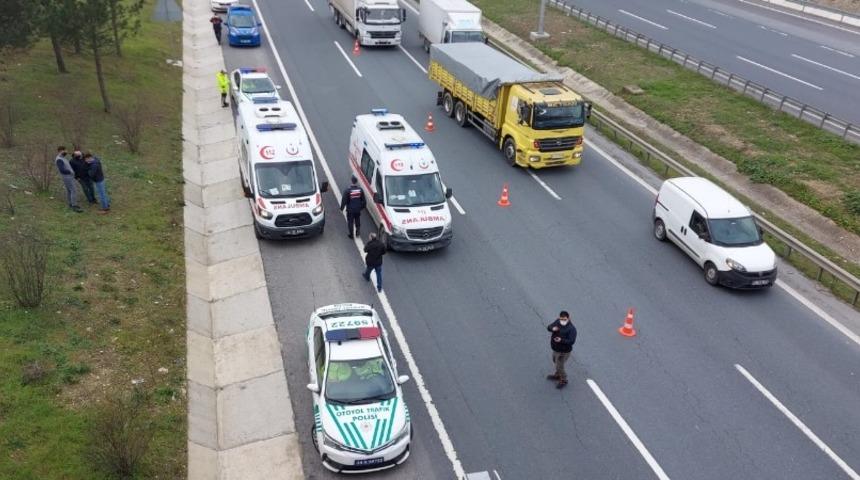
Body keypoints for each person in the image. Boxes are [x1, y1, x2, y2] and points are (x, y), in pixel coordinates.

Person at [546, 311, 577, 389]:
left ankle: (563, 379)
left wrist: (561, 340)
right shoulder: (557, 321)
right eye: (561, 319)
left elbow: (571, 341)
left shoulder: (572, 329)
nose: (562, 321)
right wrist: (552, 328)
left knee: (560, 366)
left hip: (564, 351)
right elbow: (549, 327)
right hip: (556, 349)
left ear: (568, 318)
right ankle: (558, 374)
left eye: (564, 319)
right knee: (554, 360)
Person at [55, 146, 83, 213]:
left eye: (66, 150)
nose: (66, 151)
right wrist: (70, 172)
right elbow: (62, 170)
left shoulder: (63, 158)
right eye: (64, 150)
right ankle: (74, 206)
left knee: (69, 190)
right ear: (60, 151)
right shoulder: (59, 159)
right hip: (67, 177)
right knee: (73, 190)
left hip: (68, 176)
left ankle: (71, 204)